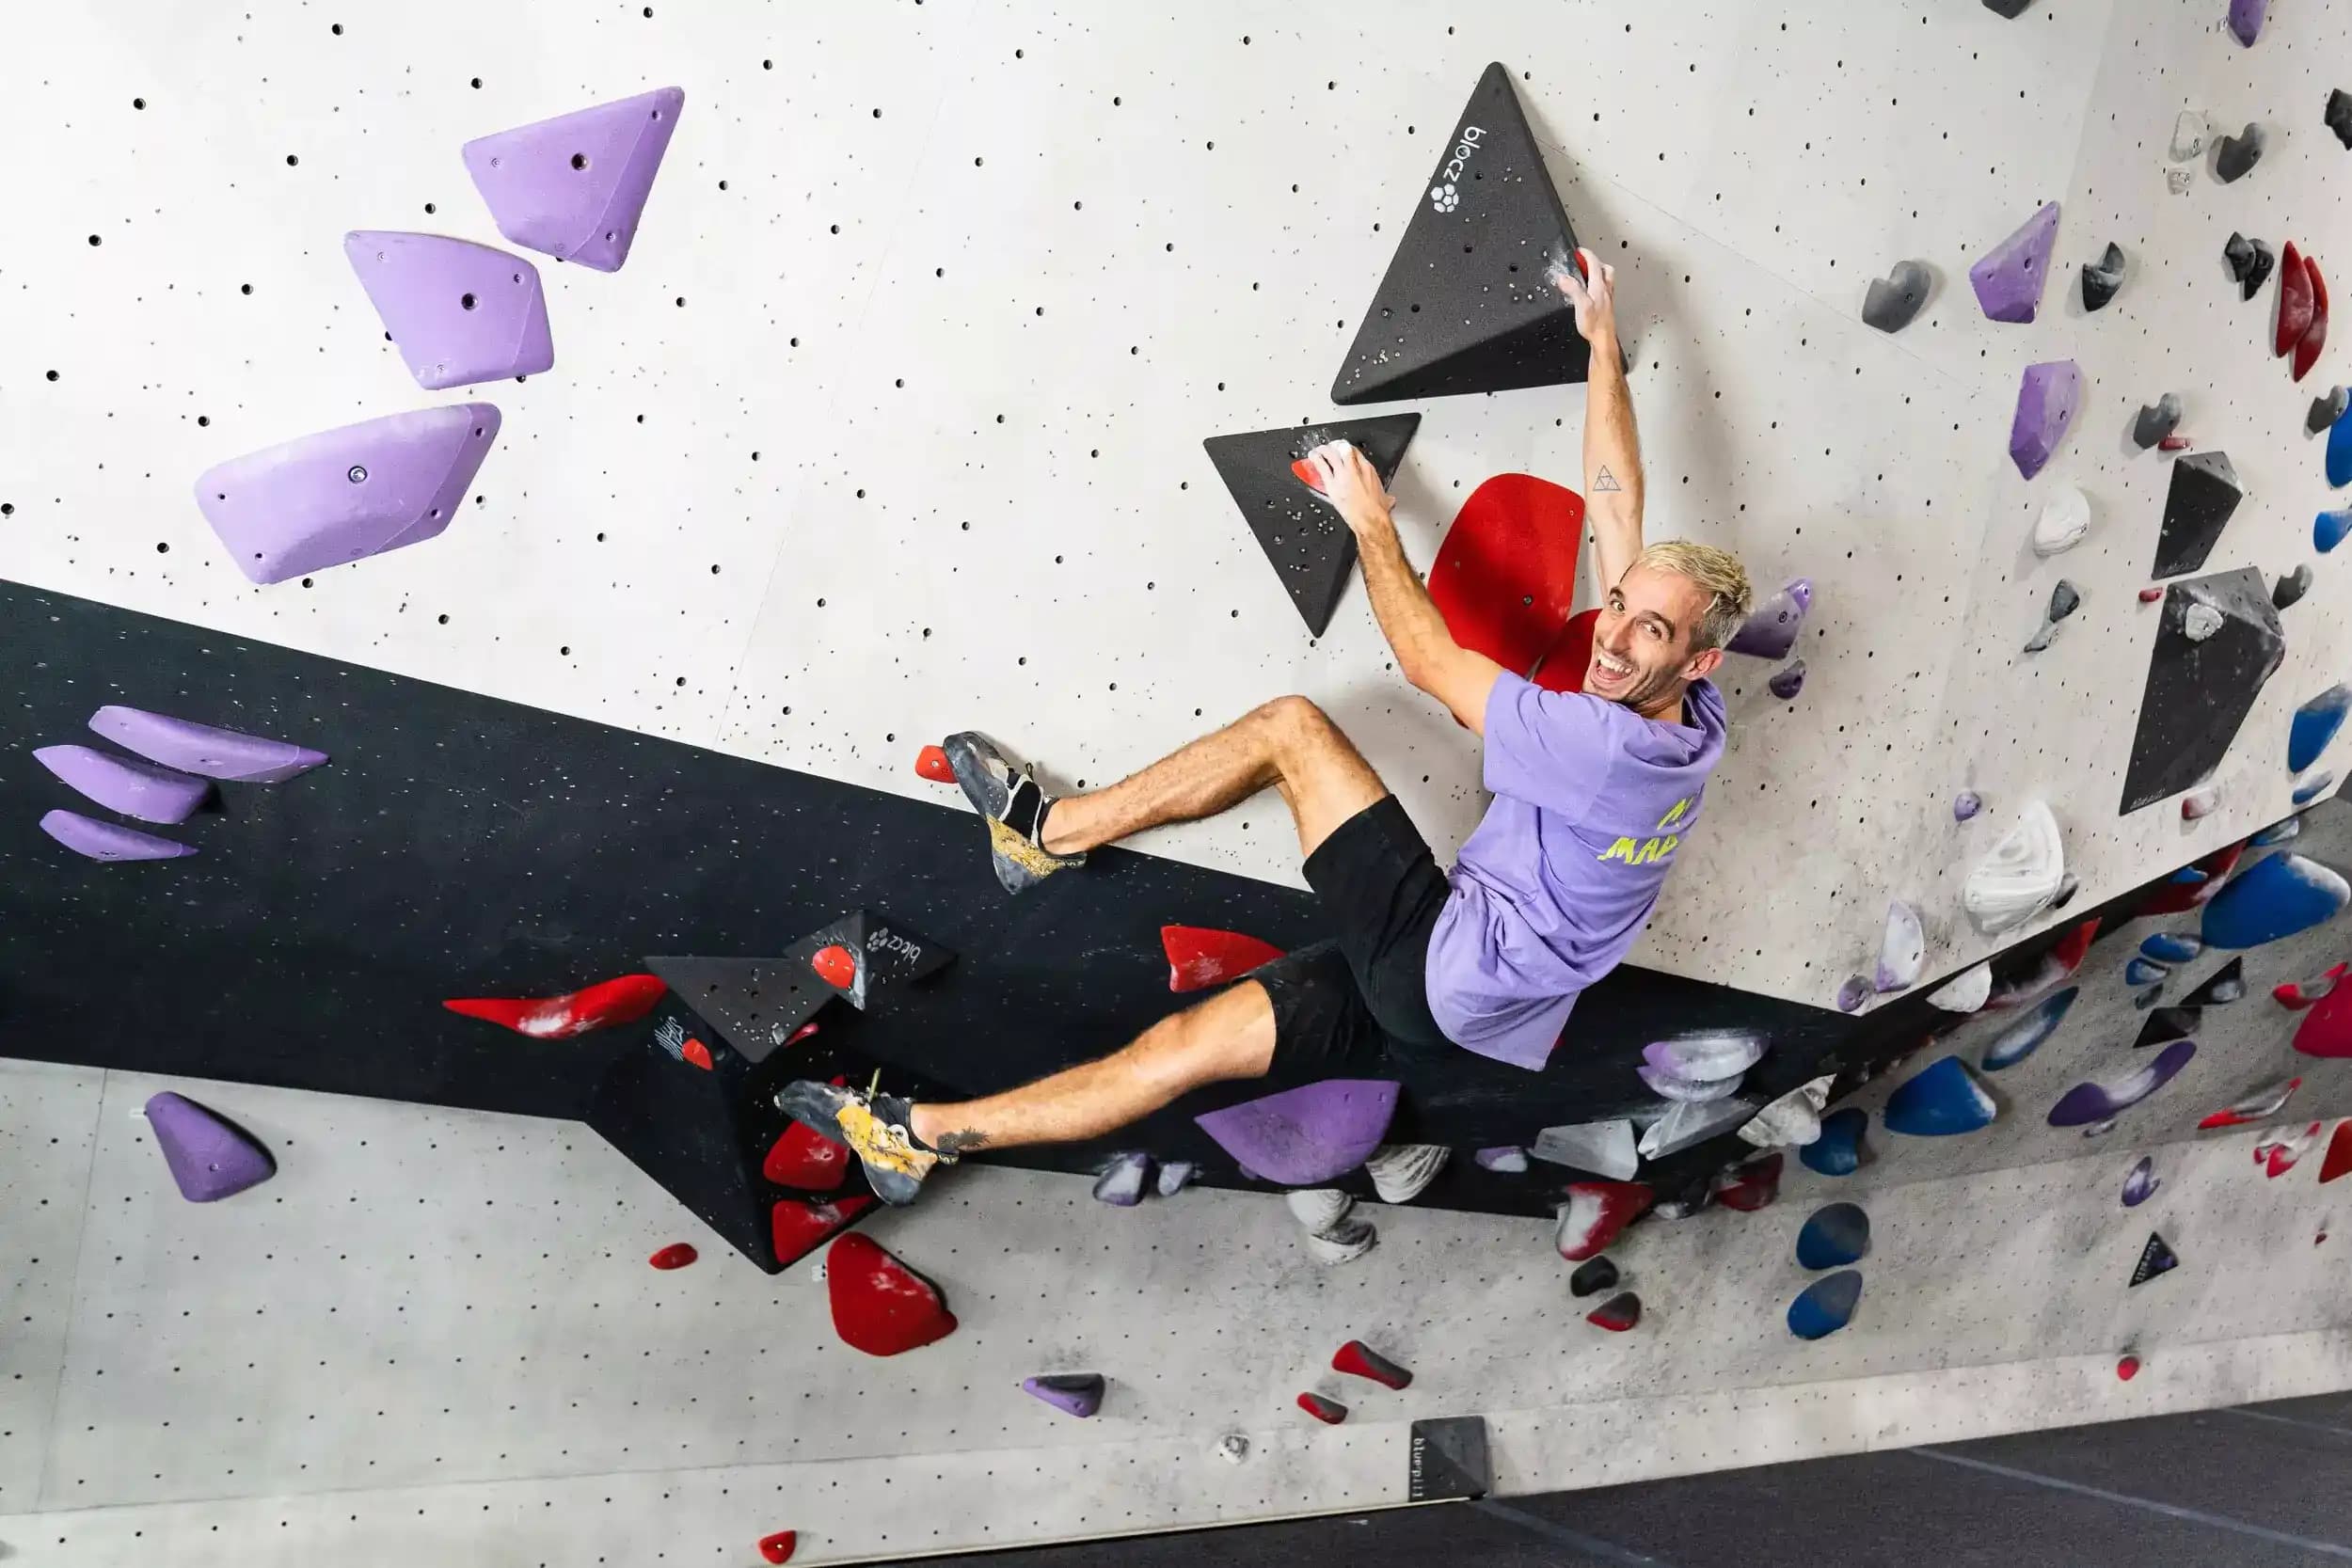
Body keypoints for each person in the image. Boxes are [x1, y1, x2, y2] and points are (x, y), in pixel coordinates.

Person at [777, 247, 1754, 1208]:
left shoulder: (1603, 745)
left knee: (1291, 729)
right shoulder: (1687, 717)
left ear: (1698, 656)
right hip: (1484, 1010)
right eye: (1618, 605)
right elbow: (1619, 506)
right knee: (1175, 1051)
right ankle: (914, 1138)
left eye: (1647, 628)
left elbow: (1426, 663)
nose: (1613, 636)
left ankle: (1045, 834)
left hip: (1438, 967)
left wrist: (1369, 518)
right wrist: (1597, 344)